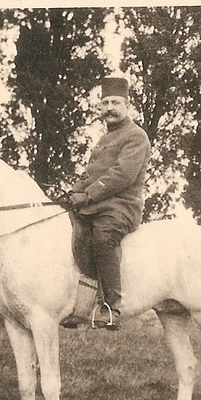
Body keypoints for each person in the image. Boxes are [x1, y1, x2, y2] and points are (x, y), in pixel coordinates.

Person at [64, 76, 151, 330]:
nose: (109, 108)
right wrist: (72, 192)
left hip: (121, 206)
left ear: (127, 105)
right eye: (105, 103)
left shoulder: (136, 136)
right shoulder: (104, 139)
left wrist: (87, 195)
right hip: (98, 203)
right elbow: (91, 175)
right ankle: (78, 303)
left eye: (115, 102)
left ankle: (111, 307)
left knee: (102, 237)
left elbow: (121, 175)